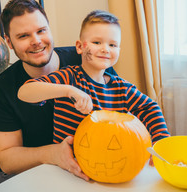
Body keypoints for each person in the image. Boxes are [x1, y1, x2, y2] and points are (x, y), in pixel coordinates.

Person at [0, 0, 116, 180]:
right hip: (44, 179)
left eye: (41, 31)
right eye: (23, 36)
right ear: (8, 42)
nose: (36, 41)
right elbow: (6, 160)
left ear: (49, 28)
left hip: (104, 167)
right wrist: (53, 154)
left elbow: (122, 109)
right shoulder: (2, 89)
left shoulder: (89, 57)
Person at [18, 10, 170, 149]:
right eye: (97, 42)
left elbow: (150, 108)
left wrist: (160, 141)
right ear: (79, 47)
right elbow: (25, 92)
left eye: (112, 44)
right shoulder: (68, 77)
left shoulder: (122, 88)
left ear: (118, 50)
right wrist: (69, 91)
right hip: (67, 166)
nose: (105, 49)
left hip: (109, 160)